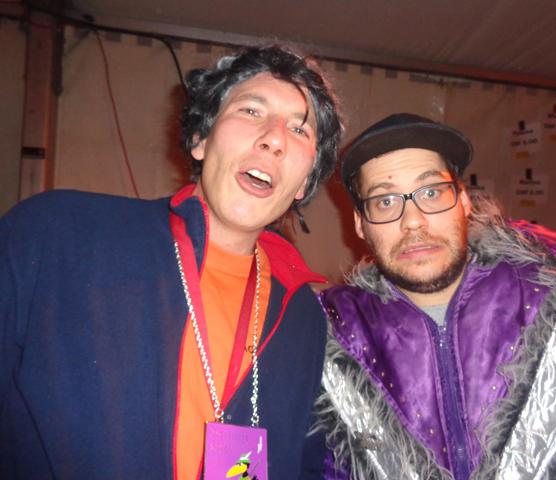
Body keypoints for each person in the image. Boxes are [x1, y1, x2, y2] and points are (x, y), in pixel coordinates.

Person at [0, 45, 342, 479]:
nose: (274, 139)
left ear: (305, 183)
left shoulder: (304, 316)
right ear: (201, 138)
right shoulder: (54, 238)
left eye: (299, 129)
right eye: (252, 110)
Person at [314, 113, 556, 479]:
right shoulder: (330, 339)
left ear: (464, 201)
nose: (413, 221)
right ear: (360, 224)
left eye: (431, 192)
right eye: (385, 201)